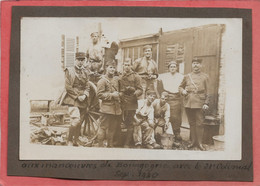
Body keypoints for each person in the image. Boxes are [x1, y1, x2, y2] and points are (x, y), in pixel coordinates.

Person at [57, 52, 93, 146]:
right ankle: (69, 140)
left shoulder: (86, 71)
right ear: (75, 60)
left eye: (82, 60)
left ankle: (75, 140)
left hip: (83, 99)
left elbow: (87, 86)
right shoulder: (69, 70)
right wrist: (77, 96)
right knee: (76, 120)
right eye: (79, 60)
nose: (81, 62)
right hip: (73, 99)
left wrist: (85, 95)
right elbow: (68, 87)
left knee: (80, 121)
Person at [179, 57, 210, 151]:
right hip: (189, 102)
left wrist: (206, 103)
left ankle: (199, 143)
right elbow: (180, 87)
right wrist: (183, 90)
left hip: (200, 102)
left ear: (201, 65)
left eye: (197, 63)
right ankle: (193, 142)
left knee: (199, 123)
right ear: (192, 65)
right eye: (194, 63)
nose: (195, 65)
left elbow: (208, 91)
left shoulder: (205, 77)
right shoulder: (187, 76)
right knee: (191, 123)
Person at [96, 60, 122, 148]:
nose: (112, 69)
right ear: (106, 68)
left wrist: (119, 94)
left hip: (115, 109)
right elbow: (99, 95)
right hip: (106, 108)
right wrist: (112, 95)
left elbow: (120, 90)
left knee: (112, 128)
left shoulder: (116, 79)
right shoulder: (102, 81)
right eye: (110, 67)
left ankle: (110, 145)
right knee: (103, 127)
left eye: (114, 68)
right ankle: (100, 145)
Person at [119, 58, 143, 148]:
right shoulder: (120, 76)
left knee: (130, 123)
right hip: (121, 102)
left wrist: (134, 93)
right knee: (119, 122)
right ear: (123, 66)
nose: (127, 67)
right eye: (125, 65)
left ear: (131, 66)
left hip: (131, 103)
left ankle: (127, 143)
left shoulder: (136, 76)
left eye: (128, 65)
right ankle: (118, 141)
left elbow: (140, 89)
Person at [158, 61, 184, 141]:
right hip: (167, 97)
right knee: (167, 115)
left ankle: (177, 133)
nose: (172, 68)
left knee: (176, 116)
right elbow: (156, 78)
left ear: (176, 68)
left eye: (174, 67)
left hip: (176, 97)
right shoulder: (164, 76)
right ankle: (166, 132)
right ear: (168, 68)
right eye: (171, 67)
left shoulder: (181, 76)